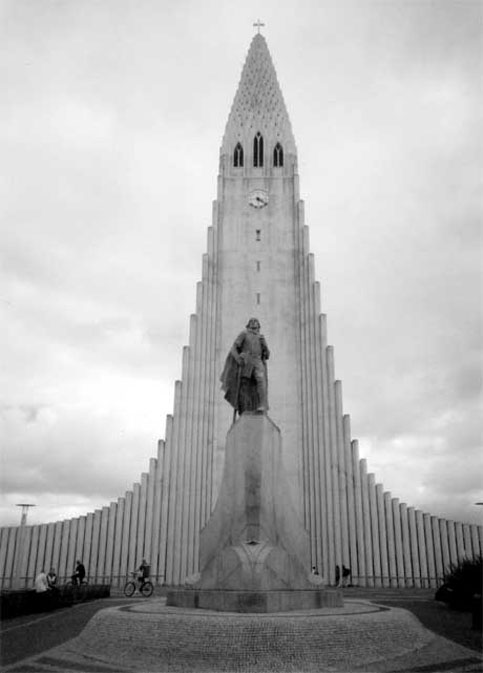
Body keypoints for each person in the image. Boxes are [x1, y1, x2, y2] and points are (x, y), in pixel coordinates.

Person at [220, 318, 270, 416]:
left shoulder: (261, 338)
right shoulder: (244, 334)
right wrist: (238, 359)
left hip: (258, 361)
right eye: (252, 322)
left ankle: (262, 404)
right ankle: (243, 408)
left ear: (259, 326)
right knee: (245, 386)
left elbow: (267, 355)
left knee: (261, 380)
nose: (254, 324)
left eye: (256, 323)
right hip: (247, 360)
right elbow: (234, 348)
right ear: (249, 325)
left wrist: (265, 345)